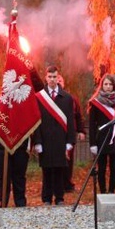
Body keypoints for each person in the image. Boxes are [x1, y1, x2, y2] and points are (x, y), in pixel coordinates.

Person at [32, 66, 76, 205]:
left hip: (60, 140)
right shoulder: (39, 97)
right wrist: (37, 141)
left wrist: (70, 141)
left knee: (59, 169)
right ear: (46, 78)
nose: (52, 79)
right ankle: (46, 198)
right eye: (49, 77)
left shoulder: (67, 98)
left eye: (54, 77)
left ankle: (59, 198)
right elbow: (36, 121)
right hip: (45, 139)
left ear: (58, 78)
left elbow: (70, 120)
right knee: (46, 171)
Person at [0, 101, 29, 207]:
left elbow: (28, 122)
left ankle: (20, 203)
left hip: (19, 146)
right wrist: (6, 118)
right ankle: (2, 202)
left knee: (19, 177)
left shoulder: (23, 105)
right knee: (3, 177)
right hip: (1, 147)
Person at [88, 74, 115, 194]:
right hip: (101, 139)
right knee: (101, 168)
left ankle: (111, 191)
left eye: (110, 84)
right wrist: (92, 144)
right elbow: (91, 125)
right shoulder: (95, 102)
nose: (108, 87)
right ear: (102, 85)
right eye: (105, 84)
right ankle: (103, 192)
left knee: (114, 168)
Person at [57, 74, 85, 193]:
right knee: (56, 159)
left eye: (60, 80)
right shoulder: (48, 98)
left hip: (69, 133)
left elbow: (78, 116)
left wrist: (81, 130)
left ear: (63, 83)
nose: (57, 81)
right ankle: (56, 185)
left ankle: (67, 184)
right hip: (55, 134)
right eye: (55, 79)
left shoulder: (71, 98)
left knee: (68, 159)